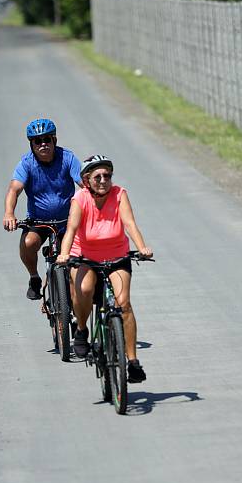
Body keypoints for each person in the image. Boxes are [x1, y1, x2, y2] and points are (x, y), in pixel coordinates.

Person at [56, 155, 153, 383]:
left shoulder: (120, 194)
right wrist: (64, 254)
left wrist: (142, 248)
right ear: (87, 180)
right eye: (97, 177)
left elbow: (129, 224)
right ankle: (81, 330)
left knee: (124, 304)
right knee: (85, 290)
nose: (103, 180)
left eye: (107, 176)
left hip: (117, 256)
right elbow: (71, 229)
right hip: (85, 256)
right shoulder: (80, 198)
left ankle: (132, 361)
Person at [3, 118, 82, 299]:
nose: (43, 144)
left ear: (54, 140)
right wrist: (9, 214)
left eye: (47, 139)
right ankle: (34, 277)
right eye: (37, 141)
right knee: (29, 243)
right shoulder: (26, 163)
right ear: (32, 144)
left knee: (74, 258)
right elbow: (14, 190)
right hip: (39, 221)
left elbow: (83, 184)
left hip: (67, 220)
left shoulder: (68, 158)